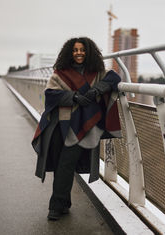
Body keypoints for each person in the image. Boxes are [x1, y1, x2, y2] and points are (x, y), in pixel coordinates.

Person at [31, 37, 122, 220]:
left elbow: (114, 78)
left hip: (81, 127)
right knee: (60, 164)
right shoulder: (61, 73)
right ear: (69, 53)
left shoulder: (96, 73)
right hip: (59, 124)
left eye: (82, 50)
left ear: (88, 52)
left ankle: (55, 207)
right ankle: (64, 204)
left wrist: (97, 90)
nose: (79, 53)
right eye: (75, 50)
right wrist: (73, 97)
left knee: (66, 163)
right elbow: (50, 95)